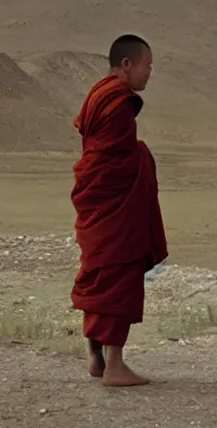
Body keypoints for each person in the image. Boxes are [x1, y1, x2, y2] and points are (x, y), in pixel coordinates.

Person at [70, 34, 168, 387]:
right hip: (115, 206)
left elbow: (97, 153)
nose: (149, 74)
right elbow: (119, 161)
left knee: (99, 271)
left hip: (96, 201)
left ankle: (95, 356)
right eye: (148, 65)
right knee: (118, 272)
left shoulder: (99, 94)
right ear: (127, 65)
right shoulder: (118, 102)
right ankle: (114, 365)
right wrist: (142, 157)